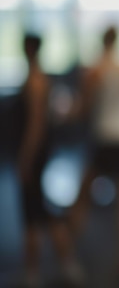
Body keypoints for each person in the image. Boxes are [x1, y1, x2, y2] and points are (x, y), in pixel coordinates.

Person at [70, 25, 119, 281]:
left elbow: (84, 107)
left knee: (83, 193)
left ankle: (70, 254)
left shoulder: (95, 71)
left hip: (107, 137)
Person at [15, 33, 82, 287]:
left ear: (29, 49)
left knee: (33, 213)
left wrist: (26, 158)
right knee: (40, 211)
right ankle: (65, 265)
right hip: (40, 152)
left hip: (35, 154)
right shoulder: (39, 79)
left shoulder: (35, 81)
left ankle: (40, 271)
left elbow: (36, 124)